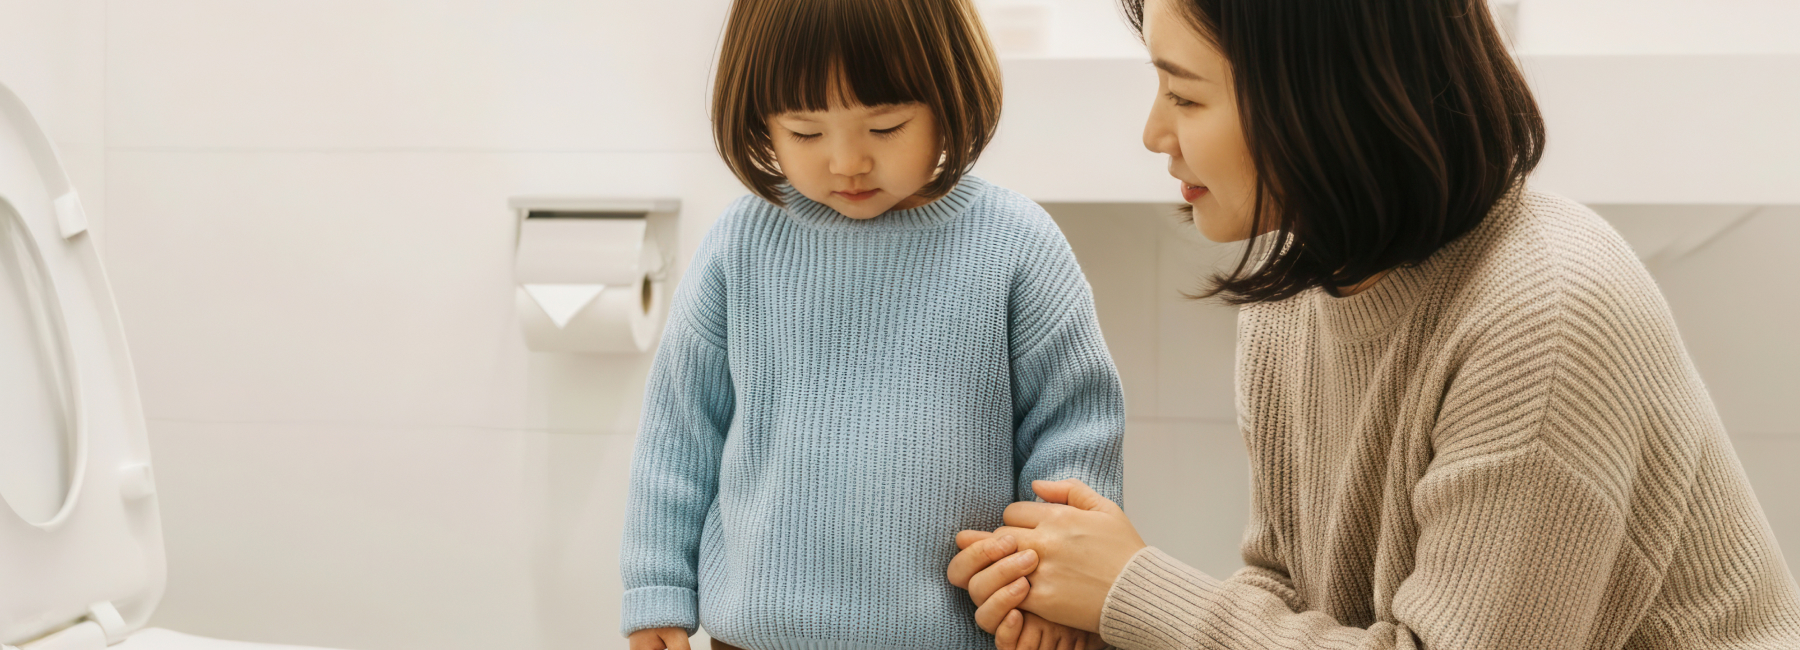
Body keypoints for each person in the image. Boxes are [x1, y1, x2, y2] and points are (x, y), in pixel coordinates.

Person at [947, 0, 1800, 647]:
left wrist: (1134, 592)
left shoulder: (1545, 314)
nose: (1154, 133)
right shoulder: (1300, 288)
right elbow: (1284, 599)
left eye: (1186, 95)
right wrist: (1107, 616)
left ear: (1322, 102)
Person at [620, 1, 1125, 649]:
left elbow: (1075, 433)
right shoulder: (740, 244)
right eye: (805, 132)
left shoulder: (1017, 245)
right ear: (760, 120)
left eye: (885, 127)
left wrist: (1056, 593)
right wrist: (656, 591)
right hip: (754, 636)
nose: (846, 162)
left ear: (950, 93)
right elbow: (678, 430)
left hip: (955, 635)